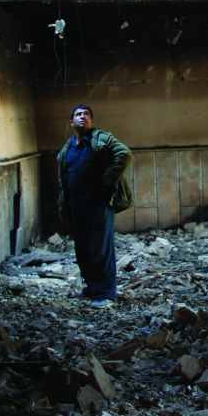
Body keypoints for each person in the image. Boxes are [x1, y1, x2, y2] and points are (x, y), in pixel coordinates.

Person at [57, 104, 133, 309]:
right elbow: (63, 180)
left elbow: (125, 154)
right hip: (77, 206)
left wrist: (109, 177)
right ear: (71, 122)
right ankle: (91, 289)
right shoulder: (67, 149)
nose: (82, 117)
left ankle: (106, 294)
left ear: (91, 121)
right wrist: (63, 206)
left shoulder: (101, 139)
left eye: (86, 114)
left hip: (99, 204)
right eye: (78, 114)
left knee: (101, 249)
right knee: (83, 250)